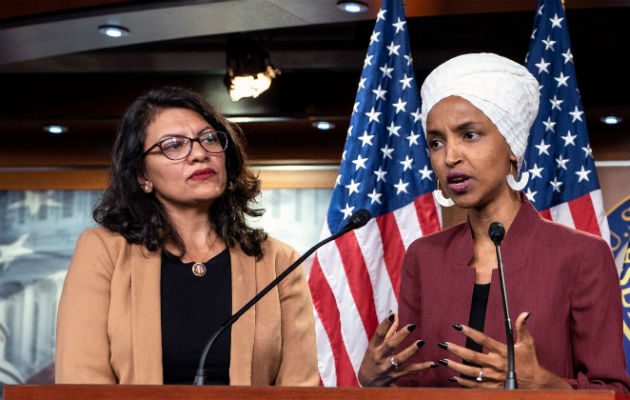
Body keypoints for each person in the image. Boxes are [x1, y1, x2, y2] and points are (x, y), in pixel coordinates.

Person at [357, 53, 630, 392]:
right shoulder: (423, 257)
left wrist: (545, 385)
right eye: (436, 142)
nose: (450, 156)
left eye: (469, 135)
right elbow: (415, 386)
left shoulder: (582, 254)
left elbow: (615, 391)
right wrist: (373, 383)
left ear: (513, 146)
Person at [55, 86, 319, 386]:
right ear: (143, 176)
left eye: (208, 139)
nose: (199, 154)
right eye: (174, 145)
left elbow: (300, 386)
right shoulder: (103, 251)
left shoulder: (277, 261)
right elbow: (80, 383)